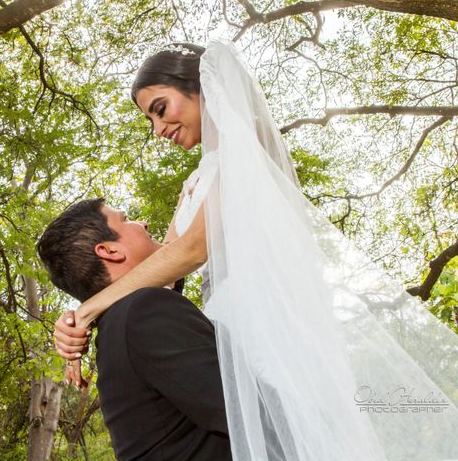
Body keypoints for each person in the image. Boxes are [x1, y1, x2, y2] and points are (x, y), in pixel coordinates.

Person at [52, 40, 458, 460]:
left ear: (198, 87)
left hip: (270, 331)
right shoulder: (194, 184)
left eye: (159, 108)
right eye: (150, 120)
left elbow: (193, 249)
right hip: (226, 337)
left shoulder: (242, 155)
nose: (158, 130)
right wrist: (72, 322)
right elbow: (165, 267)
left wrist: (91, 307)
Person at [36, 199, 233, 460]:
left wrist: (89, 308)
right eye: (127, 218)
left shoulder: (120, 320)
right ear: (109, 250)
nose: (143, 223)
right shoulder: (144, 311)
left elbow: (173, 258)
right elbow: (239, 412)